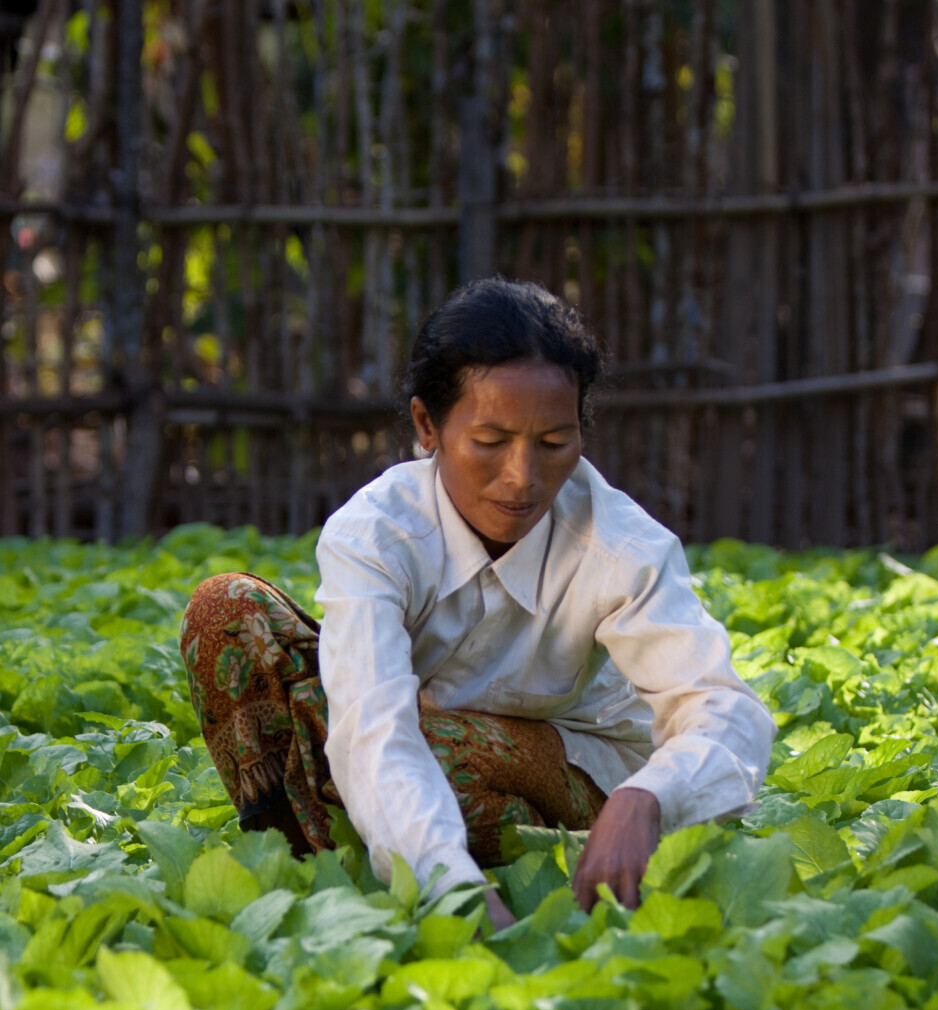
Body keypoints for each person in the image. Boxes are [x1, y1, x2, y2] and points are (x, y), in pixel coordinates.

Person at [180, 278, 775, 932]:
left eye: (554, 444)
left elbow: (728, 711)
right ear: (426, 426)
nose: (523, 477)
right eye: (490, 442)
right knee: (224, 612)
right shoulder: (377, 532)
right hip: (414, 744)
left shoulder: (621, 543)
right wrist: (451, 887)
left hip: (572, 776)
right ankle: (340, 861)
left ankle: (427, 859)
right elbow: (372, 722)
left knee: (432, 749)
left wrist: (647, 799)